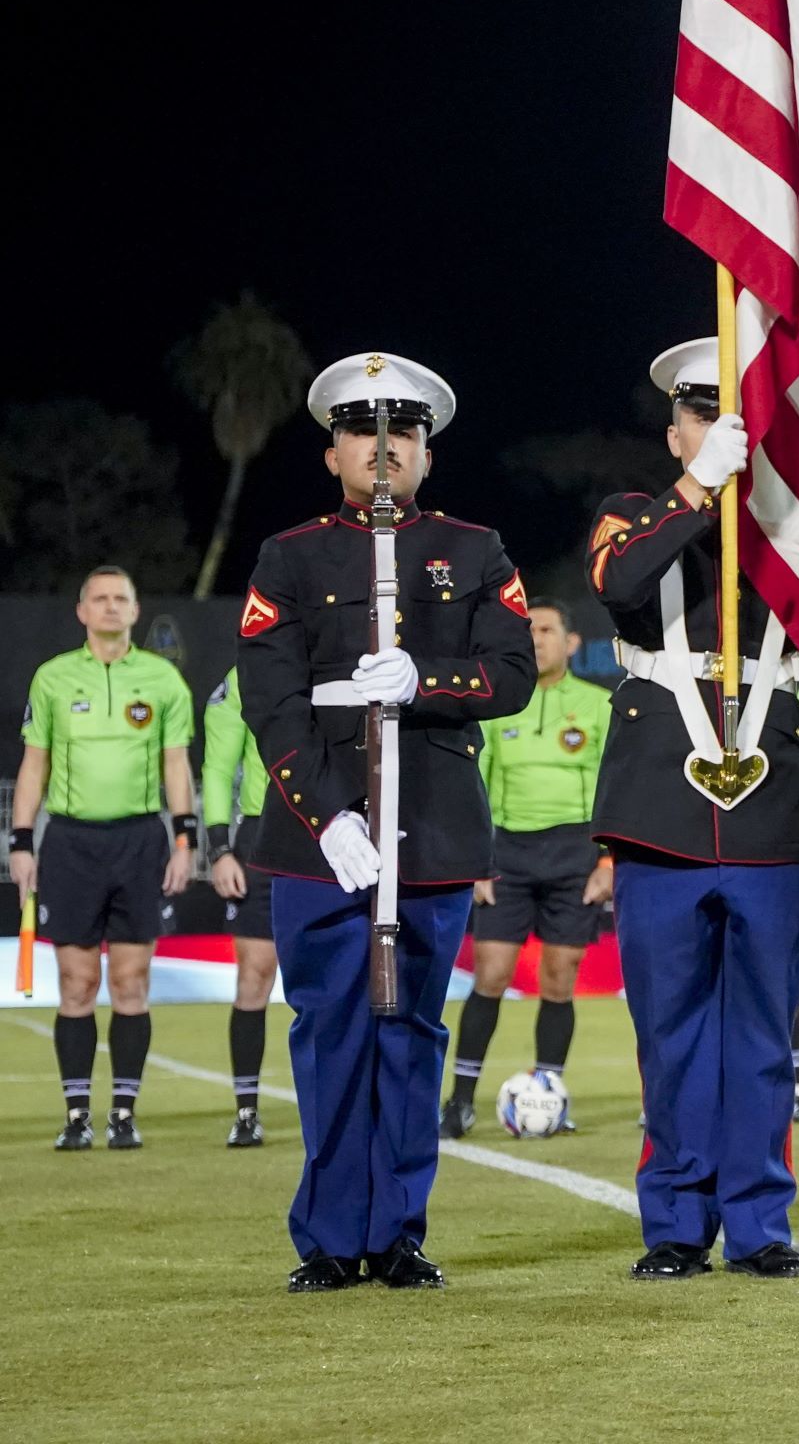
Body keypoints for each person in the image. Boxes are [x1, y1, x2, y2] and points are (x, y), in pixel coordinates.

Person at [238, 353, 535, 1292]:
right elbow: (271, 700)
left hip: (432, 826)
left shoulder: (475, 549)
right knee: (329, 1034)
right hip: (317, 834)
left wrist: (427, 679)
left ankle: (399, 1233)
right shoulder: (288, 555)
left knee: (410, 1035)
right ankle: (330, 1240)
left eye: (402, 431)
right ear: (333, 453)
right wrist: (327, 816)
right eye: (363, 431)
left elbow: (512, 675)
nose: (383, 447)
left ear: (425, 454)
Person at [588, 338, 799, 1281]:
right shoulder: (630, 515)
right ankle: (674, 1223)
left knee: (761, 1040)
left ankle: (758, 1224)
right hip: (659, 814)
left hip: (773, 809)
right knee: (668, 1036)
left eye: (732, 413)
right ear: (676, 433)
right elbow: (621, 585)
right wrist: (700, 488)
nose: (715, 428)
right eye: (699, 414)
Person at [9, 566, 196, 1151]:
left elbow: (176, 764)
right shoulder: (53, 678)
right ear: (82, 611)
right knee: (77, 981)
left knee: (131, 981)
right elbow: (34, 763)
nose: (111, 606)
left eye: (121, 598)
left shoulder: (162, 679)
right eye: (100, 598)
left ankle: (123, 1113)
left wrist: (185, 839)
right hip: (70, 843)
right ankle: (76, 1115)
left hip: (140, 841)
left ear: (135, 611)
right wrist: (20, 841)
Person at [441, 598, 613, 1137]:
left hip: (575, 853)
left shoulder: (600, 705)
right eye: (528, 630)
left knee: (559, 980)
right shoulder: (497, 704)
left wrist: (608, 858)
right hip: (506, 855)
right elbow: (473, 786)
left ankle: (548, 1093)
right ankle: (460, 1101)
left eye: (546, 629)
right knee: (491, 975)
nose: (536, 639)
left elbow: (614, 786)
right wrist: (476, 861)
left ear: (572, 643)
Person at [202, 665, 277, 1147]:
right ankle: (246, 1110)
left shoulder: (345, 659)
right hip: (264, 833)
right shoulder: (243, 677)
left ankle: (346, 1103)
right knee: (254, 975)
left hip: (341, 831)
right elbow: (218, 766)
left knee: (342, 979)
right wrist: (220, 848)